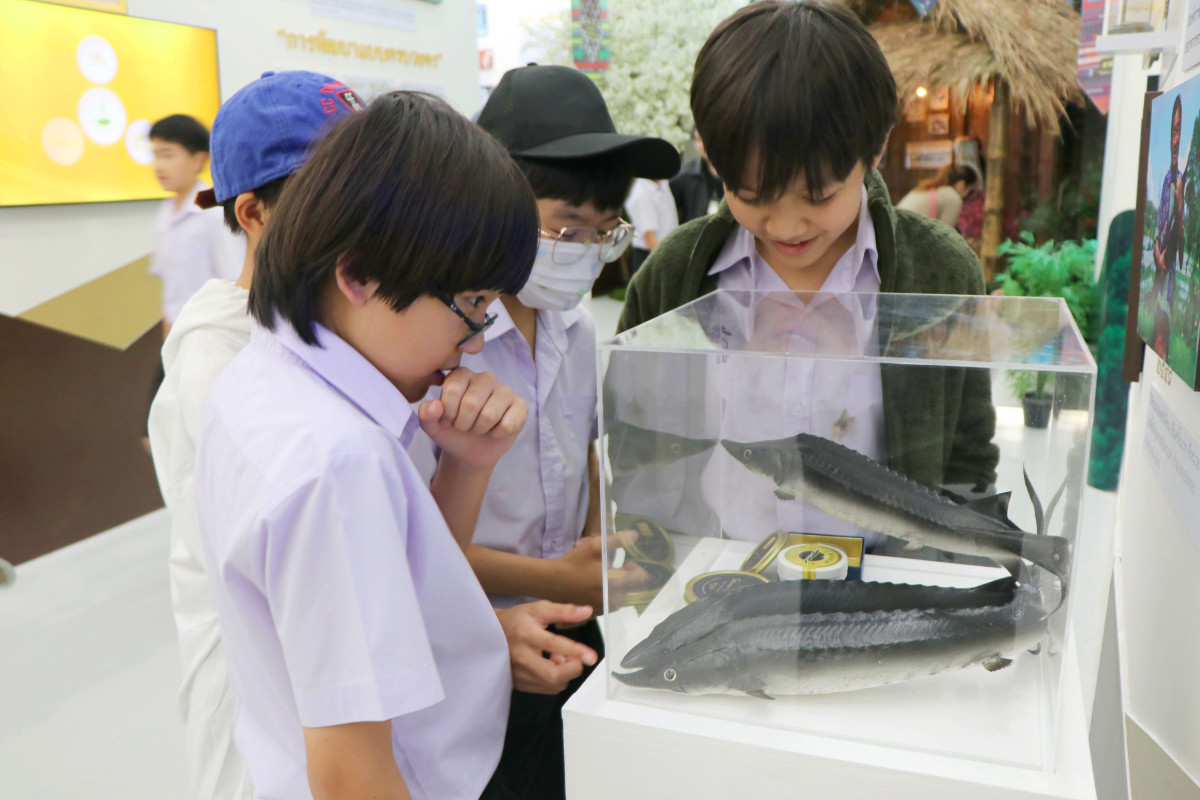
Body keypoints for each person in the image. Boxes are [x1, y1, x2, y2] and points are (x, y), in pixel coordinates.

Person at [193, 92, 596, 800]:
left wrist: (466, 464)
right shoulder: (335, 461)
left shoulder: (266, 378)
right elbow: (353, 776)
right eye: (472, 305)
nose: (476, 340)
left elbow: (401, 591)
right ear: (358, 275)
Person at [616, 0, 999, 542]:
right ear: (714, 159)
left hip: (883, 579)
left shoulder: (941, 271)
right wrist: (652, 554)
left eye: (818, 195)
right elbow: (636, 439)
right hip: (720, 572)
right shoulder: (672, 277)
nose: (786, 225)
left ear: (875, 149)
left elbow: (967, 449)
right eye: (751, 195)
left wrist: (955, 563)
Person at [443, 63, 679, 800]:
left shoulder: (574, 329)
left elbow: (582, 454)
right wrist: (556, 578)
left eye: (604, 231)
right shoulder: (443, 342)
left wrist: (595, 547)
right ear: (492, 200)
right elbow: (412, 544)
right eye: (567, 227)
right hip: (471, 635)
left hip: (572, 626)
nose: (585, 249)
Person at [147, 70, 365, 800]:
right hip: (262, 695)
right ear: (253, 213)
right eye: (339, 195)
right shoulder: (218, 359)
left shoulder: (333, 321)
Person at [147, 114, 243, 338]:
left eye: (167, 155)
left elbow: (235, 283)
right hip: (178, 336)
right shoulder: (165, 213)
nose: (158, 166)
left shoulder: (215, 212)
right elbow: (171, 291)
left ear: (199, 160)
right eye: (155, 155)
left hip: (211, 336)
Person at [1152, 94, 1186, 361]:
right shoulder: (1165, 179)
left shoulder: (1181, 182)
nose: (1175, 139)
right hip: (1158, 269)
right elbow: (1157, 226)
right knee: (1155, 332)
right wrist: (1156, 251)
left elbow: (1181, 234)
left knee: (1164, 329)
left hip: (1170, 272)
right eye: (1173, 131)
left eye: (1179, 131)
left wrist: (1180, 202)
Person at [669, 126, 725, 224]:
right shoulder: (685, 174)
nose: (704, 144)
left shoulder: (738, 174)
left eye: (708, 138)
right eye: (698, 139)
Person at [896, 163, 977, 229]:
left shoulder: (927, 188)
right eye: (970, 191)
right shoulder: (953, 196)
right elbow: (946, 235)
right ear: (961, 184)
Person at [626, 177, 680, 274]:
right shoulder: (642, 193)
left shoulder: (662, 182)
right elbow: (650, 238)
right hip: (652, 256)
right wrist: (670, 264)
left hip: (667, 251)